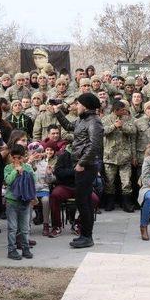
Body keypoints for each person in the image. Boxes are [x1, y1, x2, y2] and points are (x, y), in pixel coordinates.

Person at [51, 92, 104, 249]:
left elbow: (94, 146)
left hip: (86, 166)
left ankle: (87, 236)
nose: (76, 106)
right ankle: (84, 235)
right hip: (81, 165)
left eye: (79, 104)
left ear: (86, 106)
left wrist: (81, 163)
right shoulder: (83, 120)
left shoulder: (94, 122)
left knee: (84, 202)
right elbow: (68, 126)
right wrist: (57, 112)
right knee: (83, 201)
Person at [102, 100, 136, 212]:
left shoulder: (127, 118)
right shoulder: (106, 119)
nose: (124, 111)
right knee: (109, 182)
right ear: (116, 110)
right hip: (110, 156)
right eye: (122, 110)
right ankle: (109, 203)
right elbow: (102, 131)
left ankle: (126, 204)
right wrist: (114, 126)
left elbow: (133, 130)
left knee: (126, 182)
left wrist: (122, 127)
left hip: (125, 156)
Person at [4, 144, 36, 260]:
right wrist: (15, 171)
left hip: (25, 202)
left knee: (25, 227)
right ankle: (11, 250)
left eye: (19, 158)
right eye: (14, 158)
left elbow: (33, 181)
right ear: (11, 157)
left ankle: (25, 248)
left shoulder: (27, 167)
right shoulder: (8, 168)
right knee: (12, 227)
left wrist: (26, 171)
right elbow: (8, 181)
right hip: (11, 201)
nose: (16, 160)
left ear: (24, 157)